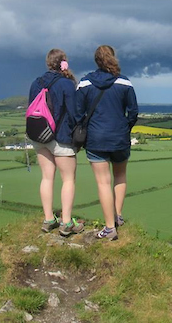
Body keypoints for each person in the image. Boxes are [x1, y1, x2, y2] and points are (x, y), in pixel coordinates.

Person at [76, 45, 138, 240]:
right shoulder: (124, 82)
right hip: (119, 137)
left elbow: (77, 113)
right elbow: (133, 112)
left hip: (96, 139)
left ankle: (110, 227)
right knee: (120, 176)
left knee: (103, 182)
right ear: (113, 58)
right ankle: (118, 217)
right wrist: (125, 128)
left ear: (96, 61)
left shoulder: (85, 83)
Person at [28, 49, 84, 236]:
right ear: (64, 63)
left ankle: (48, 219)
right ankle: (66, 223)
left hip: (39, 136)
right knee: (68, 179)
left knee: (47, 177)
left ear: (47, 63)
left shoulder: (36, 83)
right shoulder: (67, 84)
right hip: (61, 138)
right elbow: (75, 113)